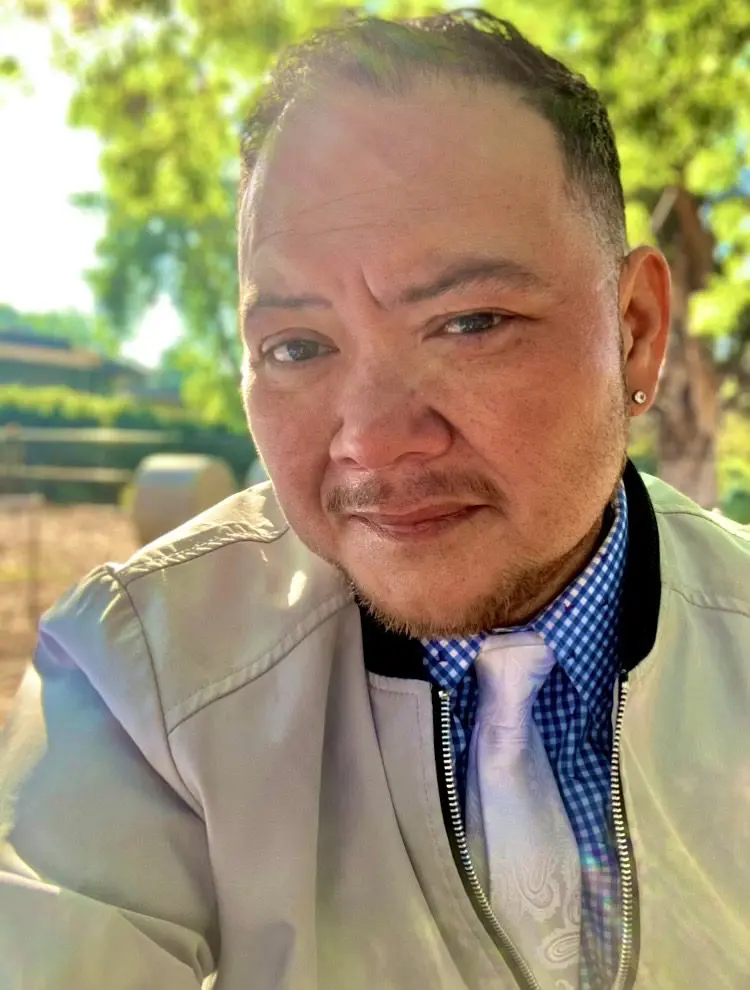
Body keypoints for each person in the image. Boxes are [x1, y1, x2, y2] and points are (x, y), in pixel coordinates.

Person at [1, 10, 748, 990]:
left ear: (637, 331)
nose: (373, 440)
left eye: (471, 322)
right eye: (298, 347)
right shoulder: (138, 679)